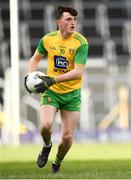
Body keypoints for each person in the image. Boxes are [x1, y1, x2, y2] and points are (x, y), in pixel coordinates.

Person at [24, 6, 89, 173]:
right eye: (68, 19)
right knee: (45, 126)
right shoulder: (48, 39)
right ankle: (47, 145)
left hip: (71, 94)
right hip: (51, 91)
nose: (73, 22)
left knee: (67, 138)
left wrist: (52, 79)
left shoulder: (81, 42)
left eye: (74, 19)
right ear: (59, 22)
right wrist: (29, 77)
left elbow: (78, 72)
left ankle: (57, 163)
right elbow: (34, 59)